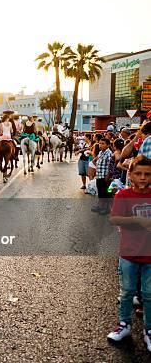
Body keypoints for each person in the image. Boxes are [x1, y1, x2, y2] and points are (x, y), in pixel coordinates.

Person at [106, 155, 151, 351]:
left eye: (147, 174)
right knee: (126, 292)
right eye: (138, 174)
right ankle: (124, 325)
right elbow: (115, 220)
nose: (143, 178)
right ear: (130, 175)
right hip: (128, 253)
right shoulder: (122, 196)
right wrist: (138, 221)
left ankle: (148, 330)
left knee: (149, 294)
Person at [92, 138, 113, 215]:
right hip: (99, 176)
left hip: (105, 177)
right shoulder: (101, 152)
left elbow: (110, 166)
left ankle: (106, 208)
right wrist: (97, 168)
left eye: (103, 143)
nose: (100, 145)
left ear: (108, 145)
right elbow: (94, 161)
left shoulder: (109, 153)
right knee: (100, 192)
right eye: (100, 143)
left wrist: (108, 175)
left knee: (105, 193)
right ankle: (100, 206)